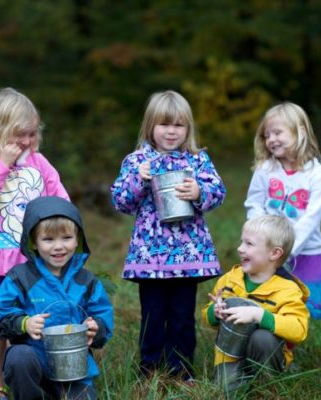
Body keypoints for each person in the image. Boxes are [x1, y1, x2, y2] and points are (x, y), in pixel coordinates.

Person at [0, 87, 70, 400]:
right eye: (19, 134)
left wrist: (61, 225)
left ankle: (38, 377)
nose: (25, 142)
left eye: (32, 134)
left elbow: (59, 197)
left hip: (35, 262)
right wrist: (3, 164)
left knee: (39, 321)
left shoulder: (39, 164)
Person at [110, 90, 226, 381]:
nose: (171, 131)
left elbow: (218, 192)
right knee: (152, 315)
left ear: (188, 128)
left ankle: (181, 370)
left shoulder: (197, 160)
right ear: (150, 126)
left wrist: (199, 192)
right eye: (164, 124)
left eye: (178, 125)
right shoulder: (138, 160)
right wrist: (139, 179)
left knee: (182, 316)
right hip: (150, 255)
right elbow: (121, 202)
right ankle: (149, 368)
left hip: (188, 253)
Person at [0, 196, 113, 400]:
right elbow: (0, 314)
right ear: (34, 242)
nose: (58, 246)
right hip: (34, 360)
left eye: (66, 238)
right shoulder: (20, 277)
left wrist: (96, 327)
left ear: (78, 239)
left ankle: (67, 393)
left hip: (74, 369)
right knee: (19, 357)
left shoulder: (87, 280)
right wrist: (24, 323)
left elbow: (102, 314)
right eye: (48, 239)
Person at [244, 102, 321, 320]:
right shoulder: (265, 169)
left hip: (303, 251)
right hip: (266, 251)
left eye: (278, 132)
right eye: (267, 135)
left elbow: (311, 218)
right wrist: (259, 241)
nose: (272, 139)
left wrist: (287, 250)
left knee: (296, 308)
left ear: (300, 132)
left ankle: (289, 346)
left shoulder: (316, 174)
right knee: (266, 303)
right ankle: (267, 346)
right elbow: (254, 203)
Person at [202, 215, 310, 393]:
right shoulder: (230, 280)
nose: (240, 248)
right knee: (224, 392)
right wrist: (215, 312)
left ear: (274, 253)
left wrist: (259, 315)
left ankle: (266, 385)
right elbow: (206, 317)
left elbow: (299, 329)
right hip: (230, 356)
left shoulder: (287, 289)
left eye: (249, 244)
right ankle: (237, 377)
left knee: (262, 338)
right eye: (241, 242)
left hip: (266, 354)